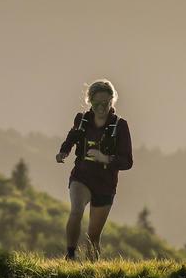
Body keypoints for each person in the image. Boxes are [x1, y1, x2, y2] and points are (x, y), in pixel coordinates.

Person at [54, 79, 133, 261]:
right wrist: (63, 151)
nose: (101, 107)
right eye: (96, 103)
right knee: (76, 211)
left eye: (105, 103)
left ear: (112, 101)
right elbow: (72, 136)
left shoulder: (120, 126)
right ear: (90, 101)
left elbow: (127, 161)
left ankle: (92, 270)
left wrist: (105, 158)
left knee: (93, 235)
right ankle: (71, 255)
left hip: (105, 184)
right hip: (81, 176)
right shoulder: (82, 120)